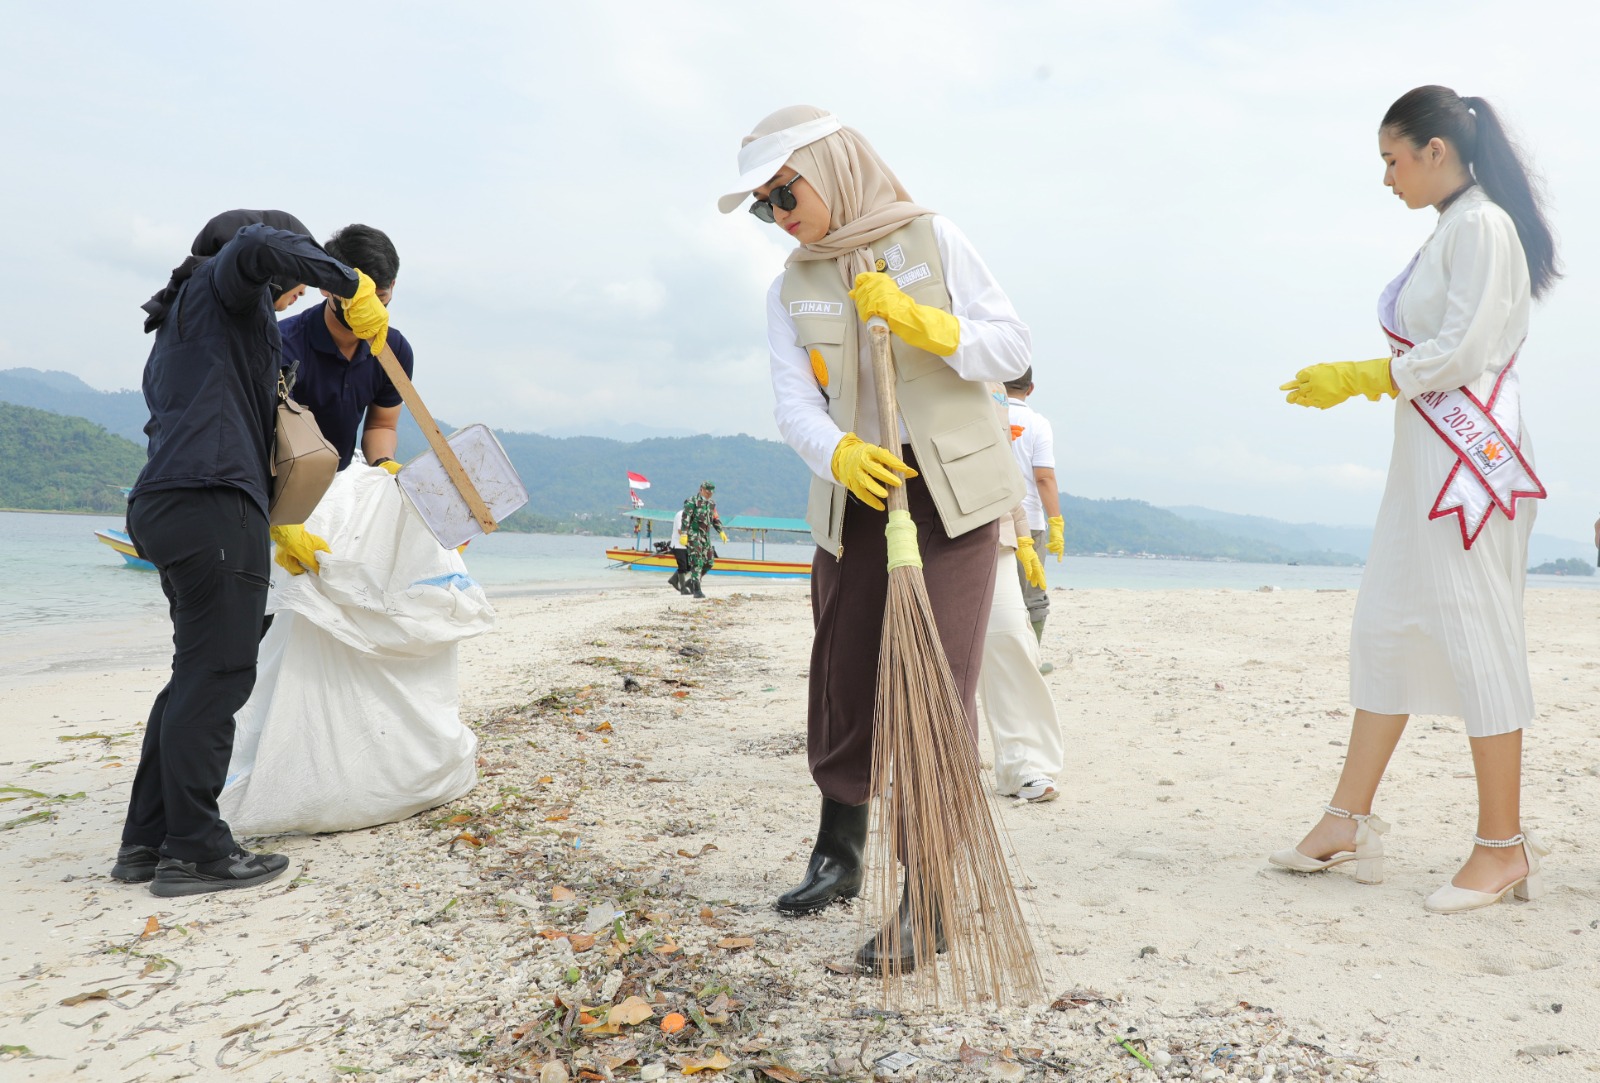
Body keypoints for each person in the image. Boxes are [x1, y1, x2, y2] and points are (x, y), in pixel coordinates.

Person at [718, 105, 1027, 971]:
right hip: (858, 499)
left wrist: (932, 325)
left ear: (833, 164)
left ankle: (929, 897)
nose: (780, 215)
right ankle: (840, 851)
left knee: (933, 689)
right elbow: (792, 406)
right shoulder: (789, 286)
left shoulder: (932, 238)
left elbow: (1013, 344)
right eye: (762, 205)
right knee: (845, 674)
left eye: (786, 190)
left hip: (951, 499)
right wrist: (840, 451)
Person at [1271, 86, 1560, 914]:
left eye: (1393, 159)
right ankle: (1344, 818)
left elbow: (1464, 349)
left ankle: (1502, 846)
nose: (1388, 177)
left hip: (1471, 468)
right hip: (1423, 460)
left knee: (1478, 637)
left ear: (1437, 150)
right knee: (1388, 625)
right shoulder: (1449, 230)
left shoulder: (1482, 227)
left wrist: (1367, 376)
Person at [113, 210, 388, 897]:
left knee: (194, 675)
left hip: (172, 504)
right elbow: (258, 244)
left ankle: (146, 842)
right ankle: (197, 850)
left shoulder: (187, 320)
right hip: (212, 503)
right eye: (294, 283)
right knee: (223, 675)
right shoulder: (219, 284)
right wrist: (350, 281)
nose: (294, 295)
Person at [979, 387, 1065, 803]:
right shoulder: (1040, 421)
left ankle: (1023, 762)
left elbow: (1003, 467)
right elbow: (1045, 475)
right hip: (911, 516)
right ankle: (910, 757)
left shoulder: (992, 389)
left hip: (996, 527)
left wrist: (1020, 533)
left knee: (1009, 636)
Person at [275, 224, 412, 473]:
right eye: (358, 298)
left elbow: (381, 425)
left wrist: (384, 464)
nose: (371, 307)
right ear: (326, 286)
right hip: (281, 481)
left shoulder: (394, 351)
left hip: (340, 485)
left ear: (393, 286)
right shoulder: (282, 344)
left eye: (380, 298)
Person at [1003, 368, 1065, 670]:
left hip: (988, 518)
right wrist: (1057, 524)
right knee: (1033, 594)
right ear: (1031, 388)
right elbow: (1044, 477)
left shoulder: (987, 414)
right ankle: (1030, 662)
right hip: (1029, 522)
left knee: (993, 593)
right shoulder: (1038, 423)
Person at [680, 481, 726, 600]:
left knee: (709, 562)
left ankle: (694, 580)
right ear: (701, 489)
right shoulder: (692, 501)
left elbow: (715, 519)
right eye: (707, 491)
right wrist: (684, 534)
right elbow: (685, 518)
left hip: (705, 536)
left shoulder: (711, 504)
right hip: (693, 535)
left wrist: (721, 531)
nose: (709, 493)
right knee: (697, 562)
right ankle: (697, 590)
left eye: (711, 491)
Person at [667, 505, 691, 594]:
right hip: (678, 545)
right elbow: (680, 530)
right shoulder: (681, 514)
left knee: (689, 566)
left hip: (685, 545)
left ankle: (674, 579)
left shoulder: (690, 516)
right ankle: (683, 588)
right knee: (682, 566)